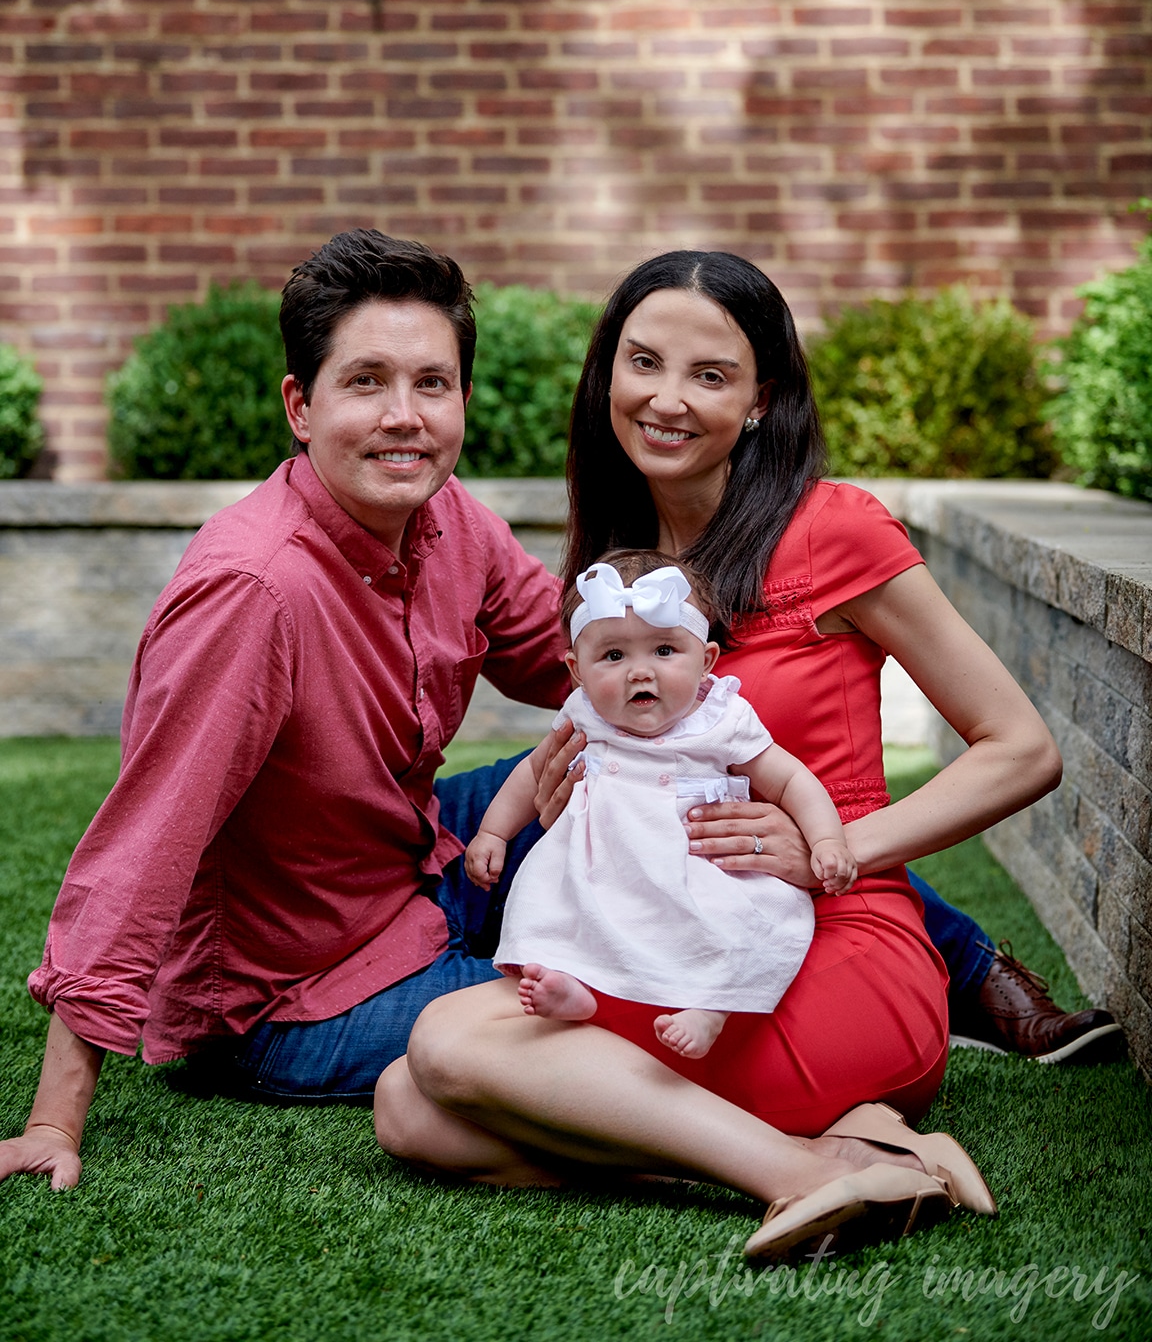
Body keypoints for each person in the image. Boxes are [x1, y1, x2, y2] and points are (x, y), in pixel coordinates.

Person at [0, 231, 1112, 1200]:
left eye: (432, 384)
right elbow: (144, 843)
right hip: (301, 979)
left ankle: (953, 964)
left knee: (686, 784)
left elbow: (573, 666)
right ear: (301, 406)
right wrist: (57, 1115)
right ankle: (817, 1142)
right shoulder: (254, 592)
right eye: (367, 384)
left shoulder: (448, 527)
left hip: (419, 856)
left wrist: (691, 689)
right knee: (538, 1034)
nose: (404, 417)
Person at [372, 249, 1075, 1258]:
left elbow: (1021, 749)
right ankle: (858, 1157)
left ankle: (808, 1170)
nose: (665, 399)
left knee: (445, 1047)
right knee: (408, 1108)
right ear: (607, 372)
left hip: (821, 947)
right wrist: (577, 801)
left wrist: (831, 848)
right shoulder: (622, 557)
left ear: (760, 401)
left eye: (709, 375)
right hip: (660, 939)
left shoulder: (837, 529)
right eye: (643, 362)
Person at [468, 551, 855, 1060]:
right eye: (613, 657)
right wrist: (494, 832)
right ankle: (575, 986)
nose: (639, 672)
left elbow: (790, 781)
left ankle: (711, 1005)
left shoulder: (721, 719)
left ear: (707, 661)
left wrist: (826, 839)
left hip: (697, 866)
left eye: (665, 650)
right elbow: (534, 772)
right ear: (576, 671)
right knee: (557, 903)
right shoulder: (585, 715)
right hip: (604, 863)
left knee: (745, 919)